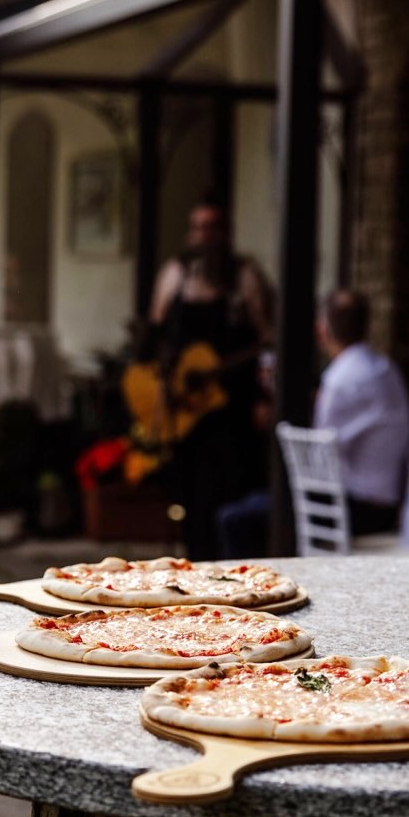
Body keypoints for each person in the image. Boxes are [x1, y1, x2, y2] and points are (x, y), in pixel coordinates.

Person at [144, 195, 276, 558]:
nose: (204, 236)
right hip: (186, 413)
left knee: (226, 498)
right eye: (198, 228)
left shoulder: (244, 278)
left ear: (226, 233)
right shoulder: (175, 274)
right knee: (189, 501)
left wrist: (263, 395)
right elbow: (155, 333)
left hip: (231, 410)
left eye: (212, 228)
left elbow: (268, 340)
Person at [314, 288, 409, 535]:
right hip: (391, 502)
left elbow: (321, 458)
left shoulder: (340, 380)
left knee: (239, 520)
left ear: (322, 330)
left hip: (358, 509)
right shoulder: (387, 370)